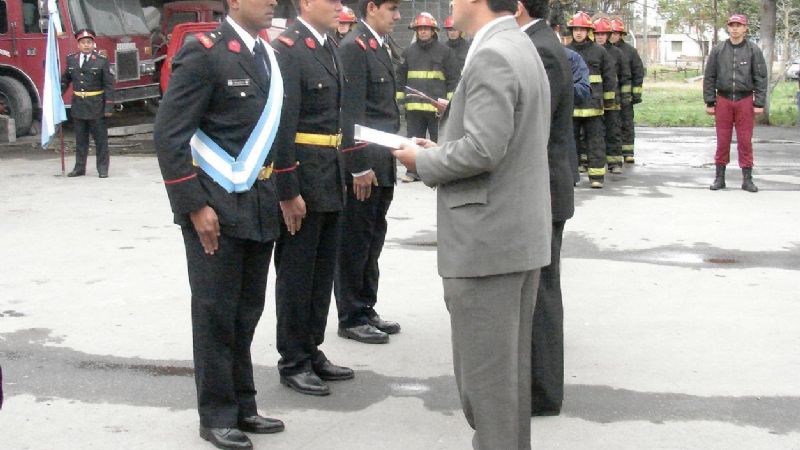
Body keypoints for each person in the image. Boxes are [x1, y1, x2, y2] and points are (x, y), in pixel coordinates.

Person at [393, 0, 552, 447]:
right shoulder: (518, 44)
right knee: (506, 386)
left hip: (487, 242)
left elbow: (484, 149)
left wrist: (423, 161)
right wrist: (442, 147)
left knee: (487, 390)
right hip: (513, 237)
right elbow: (503, 137)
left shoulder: (493, 54)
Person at [153, 0, 286, 446]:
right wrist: (193, 205)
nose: (273, 2)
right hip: (214, 208)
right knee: (215, 314)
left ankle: (244, 405)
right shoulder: (204, 52)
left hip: (259, 203)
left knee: (246, 312)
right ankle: (216, 415)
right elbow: (169, 133)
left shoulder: (266, 55)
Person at [271, 0, 354, 396]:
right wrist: (287, 189)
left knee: (321, 274)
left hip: (330, 174)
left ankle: (311, 348)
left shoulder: (328, 46)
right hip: (303, 177)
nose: (339, 6)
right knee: (297, 275)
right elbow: (282, 124)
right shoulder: (288, 49)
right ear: (305, 3)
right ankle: (293, 359)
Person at [516, 0, 575, 417]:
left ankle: (542, 391)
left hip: (544, 188)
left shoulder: (540, 48)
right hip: (545, 186)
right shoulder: (538, 41)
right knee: (538, 289)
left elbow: (536, 124)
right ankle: (537, 385)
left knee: (540, 293)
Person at [335, 0, 403, 344]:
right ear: (372, 7)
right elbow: (350, 112)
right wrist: (357, 165)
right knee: (355, 240)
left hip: (383, 158)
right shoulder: (354, 47)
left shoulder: (378, 45)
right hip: (365, 163)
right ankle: (351, 315)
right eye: (392, 8)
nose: (398, 16)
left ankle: (366, 306)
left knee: (373, 237)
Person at [704, 13, 767, 193]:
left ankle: (747, 179)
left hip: (744, 100)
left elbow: (761, 77)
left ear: (745, 28)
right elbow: (710, 76)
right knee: (722, 140)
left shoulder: (753, 50)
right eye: (732, 25)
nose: (735, 29)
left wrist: (759, 102)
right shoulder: (718, 50)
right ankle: (719, 178)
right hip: (723, 100)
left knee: (745, 141)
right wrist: (710, 101)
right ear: (728, 27)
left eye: (738, 25)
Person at [395, 12, 459, 182]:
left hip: (437, 108)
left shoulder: (445, 52)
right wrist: (399, 100)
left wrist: (450, 105)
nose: (423, 31)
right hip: (414, 107)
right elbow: (400, 77)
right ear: (416, 31)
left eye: (426, 28)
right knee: (413, 140)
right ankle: (412, 172)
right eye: (420, 28)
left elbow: (453, 79)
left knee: (439, 141)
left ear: (433, 31)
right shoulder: (408, 52)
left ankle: (439, 172)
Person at [567, 11, 615, 189]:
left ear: (588, 31)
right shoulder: (566, 51)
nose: (578, 33)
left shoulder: (600, 52)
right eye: (575, 29)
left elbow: (609, 78)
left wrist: (608, 101)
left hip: (594, 106)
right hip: (572, 106)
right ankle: (571, 176)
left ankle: (596, 176)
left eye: (582, 29)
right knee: (570, 142)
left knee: (595, 141)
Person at [61, 29, 113, 178]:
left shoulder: (101, 61)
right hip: (79, 105)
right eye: (83, 43)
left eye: (89, 42)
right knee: (80, 140)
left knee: (100, 140)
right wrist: (58, 94)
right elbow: (66, 80)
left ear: (93, 44)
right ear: (78, 45)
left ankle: (102, 168)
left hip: (96, 106)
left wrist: (109, 106)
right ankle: (79, 168)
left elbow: (109, 85)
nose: (86, 45)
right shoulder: (72, 60)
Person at [594, 17, 630, 175]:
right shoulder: (591, 51)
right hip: (594, 100)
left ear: (608, 35)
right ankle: (594, 162)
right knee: (594, 133)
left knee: (613, 131)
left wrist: (625, 98)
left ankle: (615, 162)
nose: (600, 37)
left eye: (603, 34)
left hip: (613, 101)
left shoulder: (617, 53)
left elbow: (625, 77)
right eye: (597, 34)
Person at [610, 18, 644, 164]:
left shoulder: (630, 52)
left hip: (626, 96)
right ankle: (612, 152)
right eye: (611, 33)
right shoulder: (604, 50)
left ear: (621, 35)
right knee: (612, 125)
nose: (613, 36)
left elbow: (638, 73)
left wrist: (635, 95)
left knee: (627, 123)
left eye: (616, 33)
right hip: (611, 96)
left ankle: (628, 152)